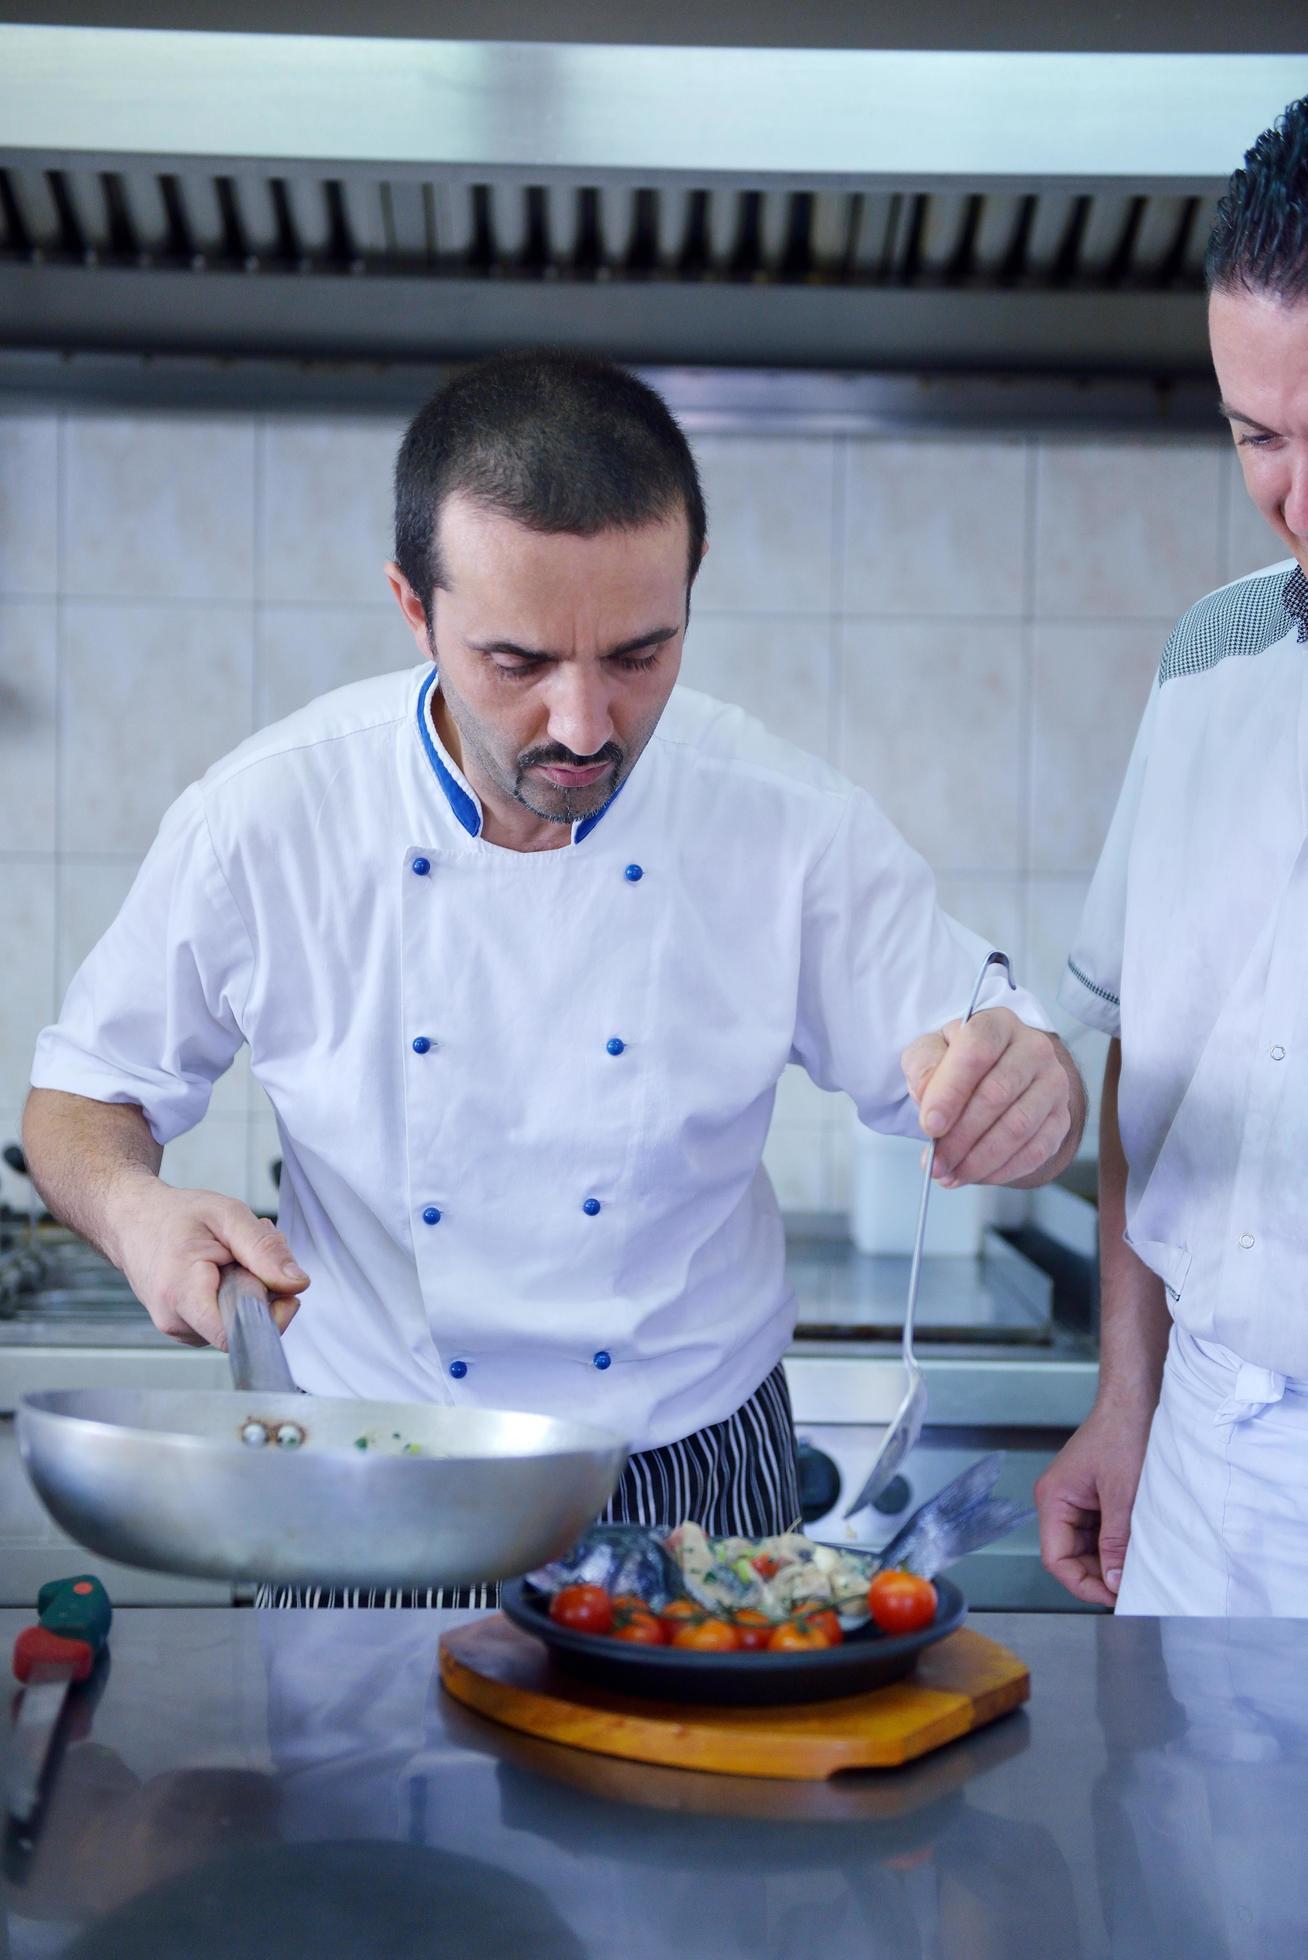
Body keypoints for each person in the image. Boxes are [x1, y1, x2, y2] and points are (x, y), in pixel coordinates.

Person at [24, 351, 1083, 1603]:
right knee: (343, 1806)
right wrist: (135, 1211)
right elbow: (79, 1099)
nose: (585, 725)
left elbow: (995, 1054)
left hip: (693, 1472)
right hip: (377, 1460)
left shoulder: (786, 824)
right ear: (413, 609)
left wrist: (1033, 1090)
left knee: (696, 1797)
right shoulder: (267, 820)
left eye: (639, 655)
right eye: (518, 662)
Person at [1037, 96, 1308, 1615]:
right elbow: (1159, 1067)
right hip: (1205, 1468)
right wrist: (1128, 1398)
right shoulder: (1213, 657)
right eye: (1261, 438)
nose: (1299, 504)